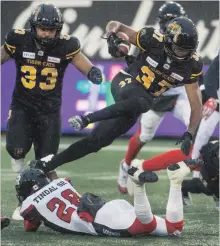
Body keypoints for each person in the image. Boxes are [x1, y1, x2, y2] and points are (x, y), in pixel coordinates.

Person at [30, 16, 203, 175]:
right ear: (169, 41)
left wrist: (190, 133)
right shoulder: (153, 39)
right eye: (180, 50)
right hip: (126, 82)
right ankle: (87, 118)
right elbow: (116, 25)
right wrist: (113, 35)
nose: (184, 54)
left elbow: (196, 105)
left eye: (187, 50)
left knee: (97, 142)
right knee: (144, 103)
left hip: (139, 101)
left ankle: (46, 165)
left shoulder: (192, 65)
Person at [1, 3, 103, 220]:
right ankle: (24, 194)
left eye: (51, 29)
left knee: (46, 162)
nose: (47, 33)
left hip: (49, 110)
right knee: (17, 150)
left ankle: (43, 204)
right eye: (43, 28)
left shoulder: (66, 45)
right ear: (33, 27)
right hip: (22, 105)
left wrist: (92, 72)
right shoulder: (18, 39)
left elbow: (82, 62)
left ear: (59, 29)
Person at [118, 1, 195, 193]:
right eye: (168, 22)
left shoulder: (184, 40)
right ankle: (126, 164)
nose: (171, 27)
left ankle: (197, 173)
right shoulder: (151, 38)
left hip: (178, 93)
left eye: (174, 22)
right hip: (154, 95)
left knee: (195, 129)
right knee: (144, 135)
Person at [16, 160, 196, 237]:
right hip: (108, 207)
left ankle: (139, 186)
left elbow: (30, 227)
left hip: (97, 220)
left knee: (145, 225)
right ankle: (176, 181)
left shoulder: (28, 204)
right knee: (174, 229)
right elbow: (53, 186)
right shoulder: (62, 182)